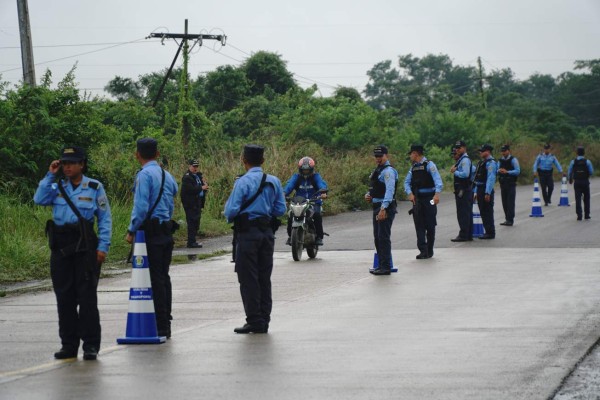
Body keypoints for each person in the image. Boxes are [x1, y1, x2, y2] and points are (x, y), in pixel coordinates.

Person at [33, 146, 112, 361]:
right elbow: (39, 199)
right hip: (60, 247)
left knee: (86, 297)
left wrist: (103, 247)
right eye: (64, 163)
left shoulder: (94, 187)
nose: (67, 167)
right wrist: (50, 173)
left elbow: (105, 219)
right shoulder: (56, 186)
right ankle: (68, 345)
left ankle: (90, 345)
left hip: (85, 246)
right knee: (64, 298)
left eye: (72, 163)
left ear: (82, 164)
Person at [224, 144, 286, 333]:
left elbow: (231, 211)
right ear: (263, 161)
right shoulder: (273, 181)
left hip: (248, 234)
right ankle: (264, 320)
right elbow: (280, 209)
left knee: (248, 278)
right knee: (264, 277)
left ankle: (254, 320)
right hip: (267, 234)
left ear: (244, 161)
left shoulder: (242, 182)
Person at [126, 138, 178, 338]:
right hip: (166, 230)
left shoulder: (143, 175)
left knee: (154, 279)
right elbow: (173, 194)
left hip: (151, 233)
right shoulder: (167, 175)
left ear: (137, 154)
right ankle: (166, 322)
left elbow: (140, 208)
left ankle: (160, 325)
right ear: (157, 154)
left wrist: (131, 230)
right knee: (163, 277)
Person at [404, 144, 443, 259]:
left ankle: (429, 250)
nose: (410, 156)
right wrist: (409, 193)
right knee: (419, 224)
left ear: (415, 153)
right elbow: (406, 182)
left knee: (430, 224)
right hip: (418, 200)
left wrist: (437, 194)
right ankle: (423, 250)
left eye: (411, 154)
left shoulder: (429, 165)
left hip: (430, 199)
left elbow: (438, 181)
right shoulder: (413, 168)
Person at [365, 145, 398, 274]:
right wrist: (369, 196)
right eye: (376, 156)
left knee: (383, 237)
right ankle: (381, 265)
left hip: (384, 208)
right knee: (377, 237)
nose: (378, 158)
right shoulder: (378, 170)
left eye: (381, 156)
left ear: (386, 156)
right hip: (376, 206)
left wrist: (383, 208)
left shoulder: (388, 171)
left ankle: (385, 267)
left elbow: (389, 191)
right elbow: (376, 188)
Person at [283, 157, 328, 246]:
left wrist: (323, 192)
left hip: (314, 201)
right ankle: (290, 236)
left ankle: (319, 237)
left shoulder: (316, 177)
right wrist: (284, 193)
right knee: (291, 214)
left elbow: (321, 184)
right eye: (304, 170)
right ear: (300, 169)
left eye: (307, 170)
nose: (305, 172)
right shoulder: (296, 177)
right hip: (299, 202)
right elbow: (290, 185)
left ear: (311, 169)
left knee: (317, 215)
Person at [181, 159, 209, 248]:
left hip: (197, 202)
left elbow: (203, 187)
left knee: (196, 222)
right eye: (194, 166)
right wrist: (202, 187)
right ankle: (191, 242)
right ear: (189, 166)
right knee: (192, 222)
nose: (195, 168)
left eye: (196, 166)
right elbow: (191, 189)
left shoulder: (197, 176)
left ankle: (193, 240)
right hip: (190, 203)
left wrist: (205, 185)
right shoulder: (187, 177)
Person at [450, 140, 473, 242]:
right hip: (464, 189)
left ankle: (463, 234)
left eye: (459, 148)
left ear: (464, 148)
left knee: (463, 212)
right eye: (457, 148)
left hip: (463, 190)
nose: (457, 150)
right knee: (466, 212)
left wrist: (455, 172)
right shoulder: (463, 160)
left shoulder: (464, 160)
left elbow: (465, 174)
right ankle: (468, 234)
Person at [473, 144, 498, 239]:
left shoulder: (491, 163)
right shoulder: (482, 162)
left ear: (488, 152)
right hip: (480, 189)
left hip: (485, 190)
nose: (480, 152)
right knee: (483, 211)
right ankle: (487, 231)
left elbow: (491, 179)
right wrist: (475, 191)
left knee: (488, 211)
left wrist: (487, 192)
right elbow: (477, 179)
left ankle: (491, 232)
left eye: (482, 151)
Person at [568, 146, 594, 221]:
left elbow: (570, 171)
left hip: (577, 182)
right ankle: (587, 215)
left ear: (577, 153)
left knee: (578, 199)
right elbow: (591, 171)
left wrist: (570, 179)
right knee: (587, 198)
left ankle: (579, 215)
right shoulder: (587, 161)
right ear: (584, 153)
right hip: (585, 181)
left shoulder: (573, 161)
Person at [497, 144, 521, 226]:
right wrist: (499, 170)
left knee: (510, 202)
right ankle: (507, 219)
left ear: (508, 151)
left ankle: (510, 220)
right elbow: (496, 170)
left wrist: (507, 172)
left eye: (504, 151)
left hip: (511, 183)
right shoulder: (500, 160)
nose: (503, 153)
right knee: (504, 202)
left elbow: (518, 171)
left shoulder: (513, 160)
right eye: (502, 151)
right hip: (503, 184)